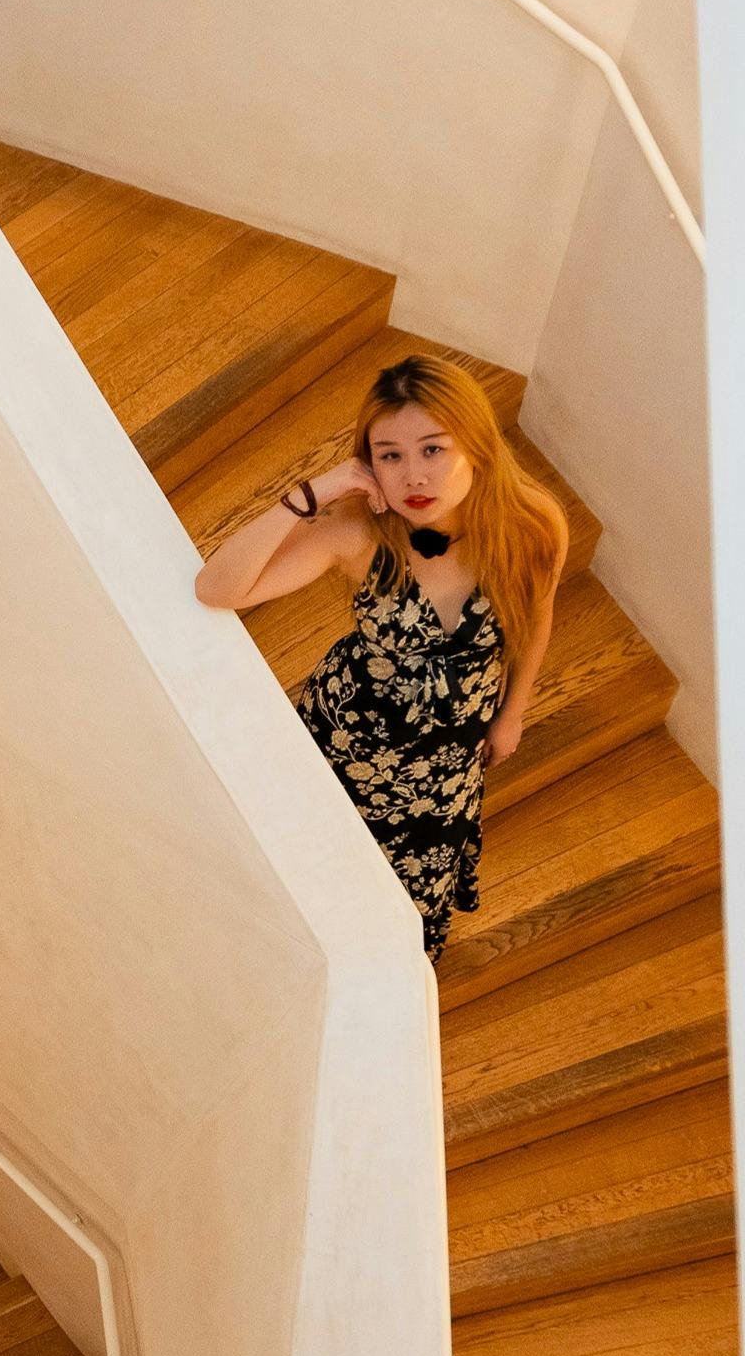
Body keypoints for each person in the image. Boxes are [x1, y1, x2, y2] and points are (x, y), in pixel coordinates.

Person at [194, 354, 568, 958]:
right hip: (349, 742)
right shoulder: (358, 535)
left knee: (402, 899)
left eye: (432, 449)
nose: (413, 477)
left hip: (447, 762)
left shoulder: (531, 523)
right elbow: (218, 589)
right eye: (389, 455)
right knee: (302, 869)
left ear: (476, 444)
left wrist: (513, 710)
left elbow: (537, 614)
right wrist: (310, 494)